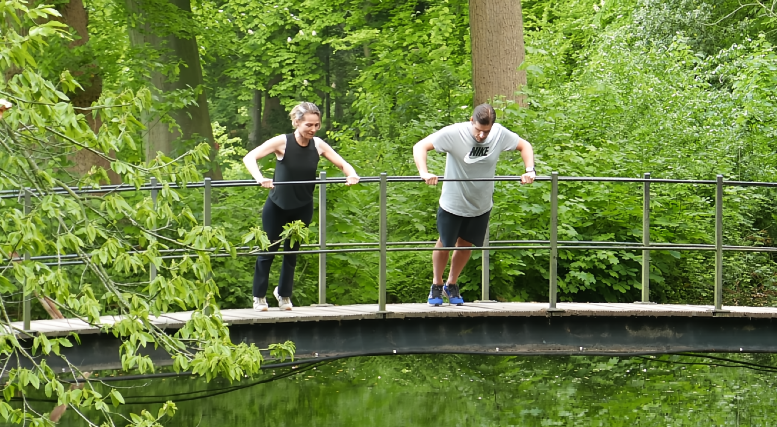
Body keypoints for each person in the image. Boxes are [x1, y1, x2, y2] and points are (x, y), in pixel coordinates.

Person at [413, 103, 536, 306]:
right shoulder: (454, 133)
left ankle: (451, 284)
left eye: (486, 132)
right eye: (478, 130)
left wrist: (530, 170)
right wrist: (424, 172)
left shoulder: (499, 134)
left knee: (466, 243)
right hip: (453, 201)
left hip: (480, 203)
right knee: (445, 242)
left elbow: (525, 146)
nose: (481, 136)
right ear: (472, 121)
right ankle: (436, 283)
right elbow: (420, 146)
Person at [243, 102, 359, 311]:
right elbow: (250, 157)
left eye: (316, 125)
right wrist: (260, 178)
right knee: (268, 250)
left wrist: (351, 174)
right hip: (277, 205)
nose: (313, 130)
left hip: (302, 206)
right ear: (297, 122)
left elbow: (342, 163)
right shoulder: (282, 142)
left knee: (292, 252)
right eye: (308, 125)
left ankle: (284, 294)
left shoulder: (318, 145)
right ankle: (258, 296)